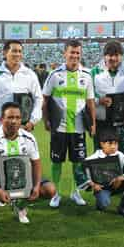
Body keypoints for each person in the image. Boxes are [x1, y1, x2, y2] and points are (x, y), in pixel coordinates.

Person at [42, 39, 96, 208]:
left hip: (78, 127)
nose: (75, 56)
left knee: (77, 162)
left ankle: (75, 192)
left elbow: (90, 102)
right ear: (65, 53)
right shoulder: (54, 75)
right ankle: (57, 194)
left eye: (78, 53)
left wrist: (92, 123)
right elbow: (45, 99)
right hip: (59, 127)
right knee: (57, 161)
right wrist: (46, 120)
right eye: (72, 52)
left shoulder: (87, 76)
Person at [0, 102, 48, 231]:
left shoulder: (29, 138)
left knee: (48, 190)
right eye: (10, 117)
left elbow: (36, 163)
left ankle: (20, 205)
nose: (14, 121)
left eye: (18, 118)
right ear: (1, 119)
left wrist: (36, 186)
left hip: (21, 177)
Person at [0, 40, 43, 132]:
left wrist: (32, 121)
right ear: (5, 53)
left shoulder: (30, 74)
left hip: (23, 126)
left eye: (20, 51)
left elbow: (38, 99)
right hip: (0, 126)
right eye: (14, 51)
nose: (18, 54)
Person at [91, 40, 124, 157]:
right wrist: (99, 100)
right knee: (102, 158)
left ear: (121, 56)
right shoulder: (94, 72)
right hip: (102, 124)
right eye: (110, 55)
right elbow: (87, 96)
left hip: (121, 124)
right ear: (104, 56)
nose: (113, 58)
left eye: (116, 55)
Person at [85, 129, 124, 219]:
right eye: (110, 143)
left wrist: (121, 177)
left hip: (117, 184)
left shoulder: (120, 155)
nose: (113, 147)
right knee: (103, 204)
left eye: (115, 143)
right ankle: (100, 203)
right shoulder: (92, 158)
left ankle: (123, 208)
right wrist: (93, 185)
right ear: (102, 144)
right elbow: (80, 174)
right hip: (102, 188)